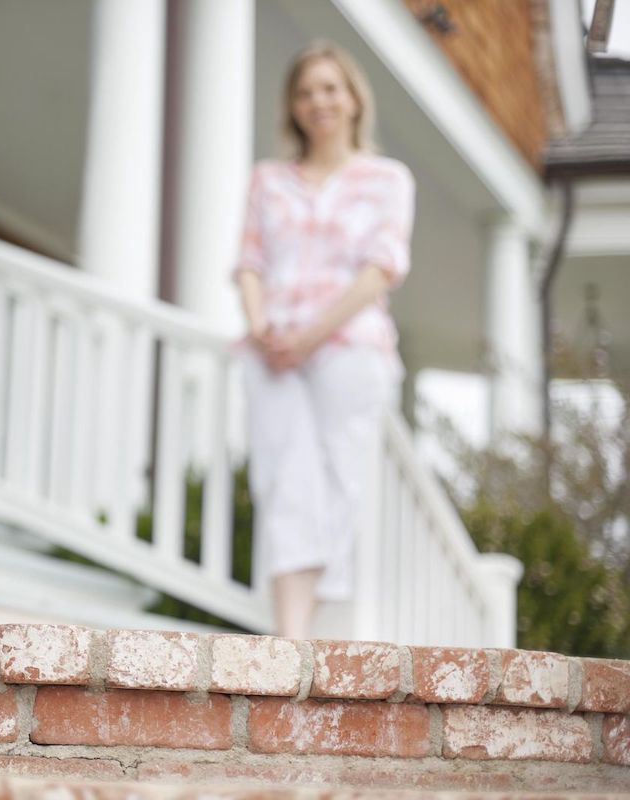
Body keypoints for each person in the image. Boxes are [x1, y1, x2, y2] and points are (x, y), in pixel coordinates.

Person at [233, 41, 415, 640]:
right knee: (285, 479)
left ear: (354, 97)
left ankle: (330, 630)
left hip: (348, 348)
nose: (320, 101)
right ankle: (290, 637)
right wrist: (264, 329)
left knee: (343, 482)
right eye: (307, 91)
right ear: (293, 105)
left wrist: (310, 337)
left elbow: (380, 269)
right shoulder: (269, 180)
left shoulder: (388, 180)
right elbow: (251, 262)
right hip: (274, 354)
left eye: (331, 88)